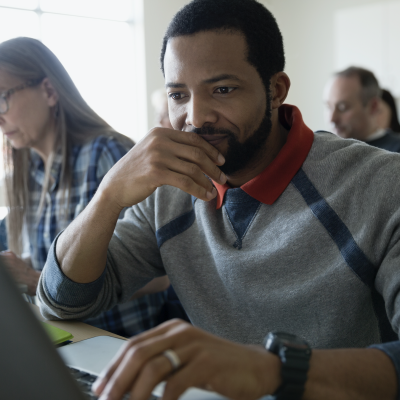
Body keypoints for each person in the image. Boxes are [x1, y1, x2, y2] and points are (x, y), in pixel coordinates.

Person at [38, 1, 400, 399]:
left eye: (222, 89)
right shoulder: (169, 190)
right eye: (178, 95)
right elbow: (63, 304)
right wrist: (108, 194)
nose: (196, 117)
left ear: (275, 90)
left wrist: (273, 371)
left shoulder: (381, 184)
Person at [0, 37, 170, 337]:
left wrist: (32, 279)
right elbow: (36, 256)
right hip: (61, 343)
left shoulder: (108, 154)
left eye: (3, 98)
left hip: (115, 347)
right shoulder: (26, 176)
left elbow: (157, 276)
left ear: (49, 91)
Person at [324, 66, 400, 152]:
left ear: (373, 106)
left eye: (343, 108)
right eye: (328, 107)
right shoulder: (324, 150)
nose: (332, 119)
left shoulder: (395, 153)